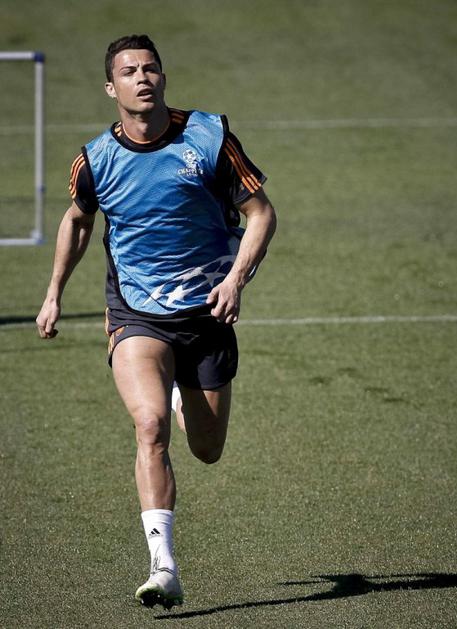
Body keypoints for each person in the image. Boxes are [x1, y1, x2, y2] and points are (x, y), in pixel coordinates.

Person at [36, 34, 276, 609]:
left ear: (163, 78)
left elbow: (261, 213)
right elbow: (78, 220)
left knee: (208, 449)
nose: (141, 78)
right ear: (111, 87)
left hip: (207, 312)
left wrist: (234, 281)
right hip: (136, 313)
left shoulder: (209, 138)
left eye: (150, 68)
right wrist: (53, 294)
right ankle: (163, 565)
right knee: (149, 426)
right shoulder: (96, 160)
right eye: (129, 71)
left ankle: (176, 390)